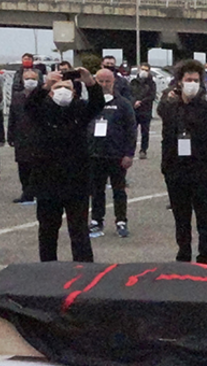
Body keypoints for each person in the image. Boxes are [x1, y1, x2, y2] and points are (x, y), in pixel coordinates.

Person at [26, 68, 105, 262]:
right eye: (58, 87)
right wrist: (46, 85)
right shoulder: (42, 110)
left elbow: (98, 104)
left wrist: (90, 82)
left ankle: (84, 269)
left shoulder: (80, 109)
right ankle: (47, 268)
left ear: (74, 93)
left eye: (67, 87)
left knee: (79, 230)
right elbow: (29, 106)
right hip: (47, 180)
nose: (62, 91)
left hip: (76, 181)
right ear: (51, 92)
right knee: (47, 229)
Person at [158, 59, 207, 264]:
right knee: (181, 217)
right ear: (179, 82)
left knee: (204, 218)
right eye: (188, 80)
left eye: (196, 80)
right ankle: (183, 252)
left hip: (201, 171)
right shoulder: (171, 108)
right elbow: (166, 132)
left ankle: (205, 256)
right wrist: (166, 167)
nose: (192, 83)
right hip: (176, 170)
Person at [89, 69, 137, 239]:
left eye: (107, 81)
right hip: (95, 155)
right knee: (96, 190)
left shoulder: (123, 104)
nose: (104, 85)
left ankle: (121, 221)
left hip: (116, 155)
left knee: (119, 190)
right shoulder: (91, 102)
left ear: (113, 82)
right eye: (100, 81)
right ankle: (96, 220)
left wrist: (129, 154)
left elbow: (131, 130)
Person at [7, 69, 41, 204]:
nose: (30, 81)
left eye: (33, 78)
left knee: (37, 167)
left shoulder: (42, 96)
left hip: (38, 137)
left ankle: (37, 192)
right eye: (27, 78)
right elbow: (12, 116)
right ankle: (26, 193)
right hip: (21, 136)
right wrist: (10, 135)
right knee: (23, 166)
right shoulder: (17, 96)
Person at [130, 62, 157, 159]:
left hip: (145, 111)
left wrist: (141, 102)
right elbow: (130, 94)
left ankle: (143, 150)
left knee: (145, 132)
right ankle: (130, 150)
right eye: (142, 69)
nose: (144, 71)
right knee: (132, 132)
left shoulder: (151, 83)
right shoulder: (133, 82)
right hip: (134, 110)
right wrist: (134, 102)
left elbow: (151, 96)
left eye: (146, 70)